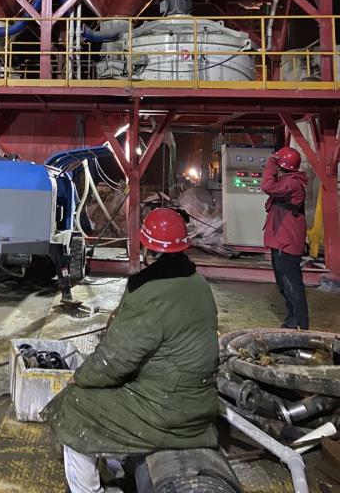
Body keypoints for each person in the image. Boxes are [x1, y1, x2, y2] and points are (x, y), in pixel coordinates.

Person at [43, 208, 220, 493]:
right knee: (114, 394)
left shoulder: (149, 294)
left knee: (73, 406)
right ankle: (117, 467)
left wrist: (80, 377)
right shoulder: (197, 283)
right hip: (200, 400)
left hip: (168, 410)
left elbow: (114, 362)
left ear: (148, 248)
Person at [261, 147, 309, 330]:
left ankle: (300, 324)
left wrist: (271, 162)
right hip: (282, 242)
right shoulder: (288, 181)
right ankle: (293, 320)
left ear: (281, 165)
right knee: (284, 285)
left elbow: (267, 186)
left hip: (286, 244)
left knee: (291, 285)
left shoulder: (292, 183)